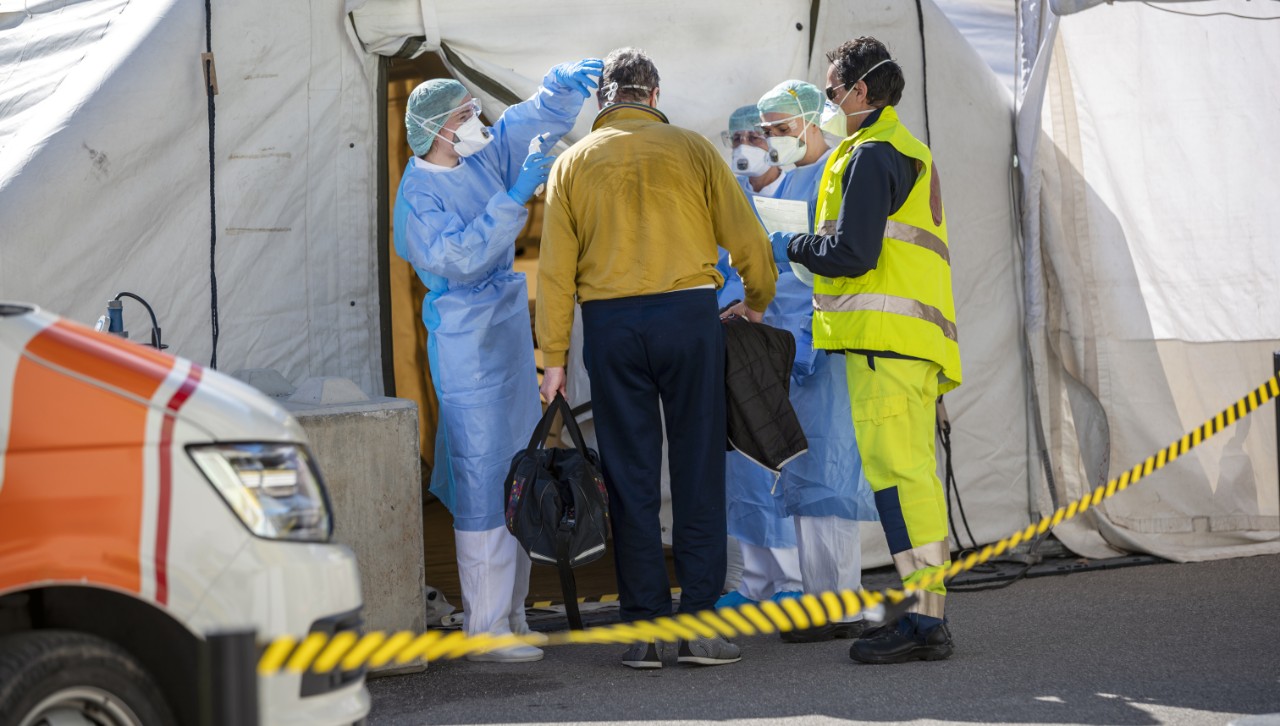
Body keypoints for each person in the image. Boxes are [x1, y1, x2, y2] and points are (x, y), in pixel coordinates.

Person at [536, 47, 776, 670]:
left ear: (603, 99)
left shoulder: (571, 163)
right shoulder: (692, 149)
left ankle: (643, 631)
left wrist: (553, 358)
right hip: (689, 317)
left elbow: (555, 273)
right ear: (654, 94)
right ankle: (699, 628)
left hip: (610, 325)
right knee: (699, 469)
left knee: (629, 474)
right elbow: (747, 239)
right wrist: (756, 300)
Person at [393, 59, 602, 663]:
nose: (476, 121)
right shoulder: (418, 194)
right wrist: (512, 201)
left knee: (519, 472)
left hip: (505, 332)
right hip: (466, 341)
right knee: (484, 478)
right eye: (465, 115)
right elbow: (458, 258)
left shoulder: (480, 157)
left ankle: (513, 613)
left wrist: (555, 92)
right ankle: (484, 627)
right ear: (437, 129)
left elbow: (521, 125)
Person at [786, 37, 962, 664]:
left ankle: (924, 622)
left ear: (861, 90)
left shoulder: (871, 154)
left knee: (899, 481)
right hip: (907, 344)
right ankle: (926, 614)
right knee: (911, 479)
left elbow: (853, 254)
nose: (829, 102)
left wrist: (791, 245)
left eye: (832, 91)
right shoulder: (906, 149)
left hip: (884, 346)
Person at [726, 79, 882, 643]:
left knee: (831, 475)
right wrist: (757, 307)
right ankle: (820, 602)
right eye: (765, 130)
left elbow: (842, 258)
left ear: (813, 121)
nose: (771, 139)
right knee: (806, 478)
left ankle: (841, 604)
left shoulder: (839, 172)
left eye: (779, 128)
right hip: (791, 343)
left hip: (828, 341)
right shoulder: (791, 182)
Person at [714, 103, 803, 613]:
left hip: (788, 344)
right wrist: (733, 303)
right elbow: (718, 269)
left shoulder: (800, 193)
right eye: (736, 138)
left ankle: (792, 579)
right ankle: (755, 580)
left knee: (779, 460)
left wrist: (761, 304)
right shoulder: (729, 200)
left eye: (755, 135)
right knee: (743, 464)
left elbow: (805, 273)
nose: (744, 146)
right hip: (740, 347)